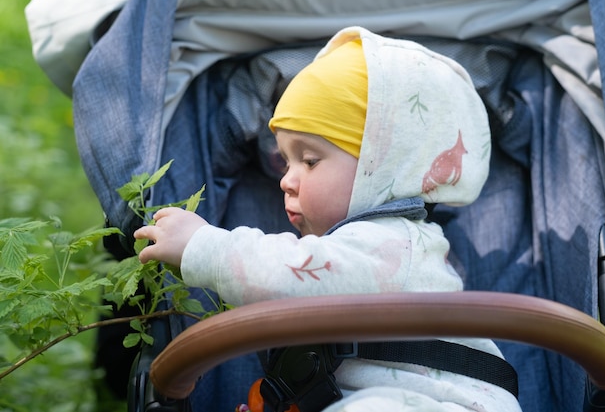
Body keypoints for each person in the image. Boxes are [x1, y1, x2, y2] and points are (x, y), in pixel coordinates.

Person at [134, 26, 522, 412]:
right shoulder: (359, 249)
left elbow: (285, 275)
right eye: (285, 160)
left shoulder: (393, 245)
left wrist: (206, 247)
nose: (286, 179)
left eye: (310, 160)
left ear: (383, 165)